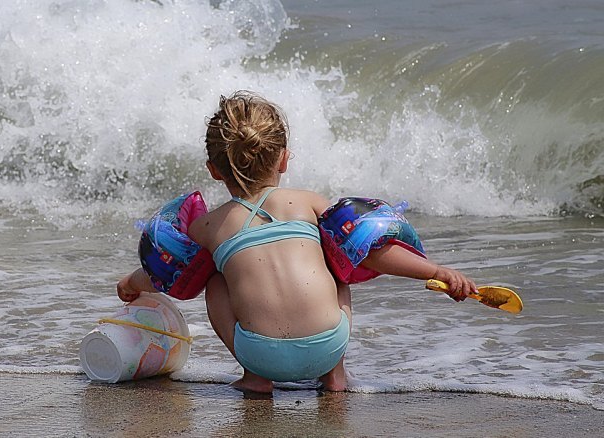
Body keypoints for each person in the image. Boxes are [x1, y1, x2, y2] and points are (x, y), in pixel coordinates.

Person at [117, 91, 477, 393]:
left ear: (213, 170)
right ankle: (335, 376)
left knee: (214, 280)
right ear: (284, 158)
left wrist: (131, 283)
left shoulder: (210, 226)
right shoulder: (308, 202)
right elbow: (373, 253)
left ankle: (255, 379)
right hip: (327, 343)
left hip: (260, 354)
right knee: (338, 262)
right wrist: (436, 271)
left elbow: (166, 272)